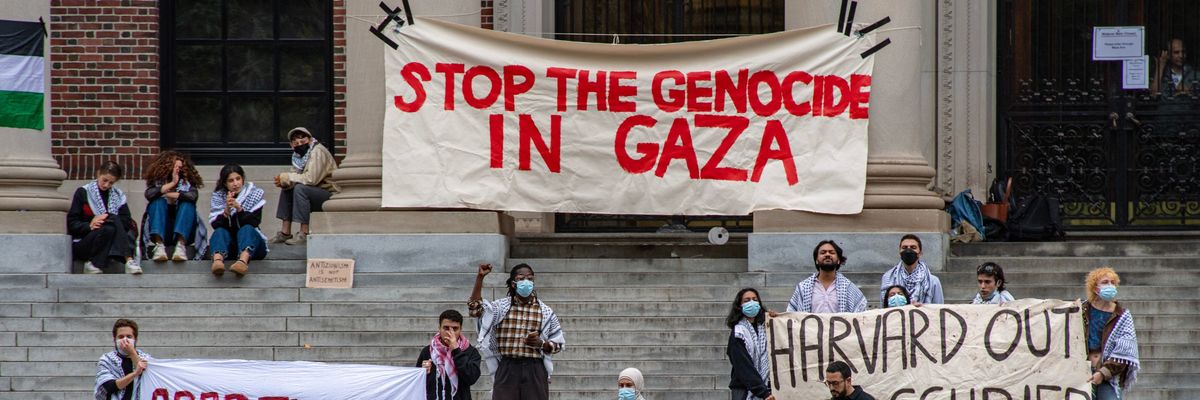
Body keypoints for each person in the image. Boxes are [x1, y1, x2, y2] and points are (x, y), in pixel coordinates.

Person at [468, 263, 565, 400]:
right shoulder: (500, 308)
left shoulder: (545, 312)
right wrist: (480, 278)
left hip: (535, 368)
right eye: (521, 279)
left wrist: (541, 344)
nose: (526, 282)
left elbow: (558, 344)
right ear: (513, 284)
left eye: (530, 279)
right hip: (508, 367)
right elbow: (475, 310)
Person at [269, 127, 339, 246]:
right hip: (314, 192)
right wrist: (284, 181)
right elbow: (295, 176)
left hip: (329, 195)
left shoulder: (317, 151)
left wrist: (289, 177)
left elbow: (312, 179)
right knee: (288, 187)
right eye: (296, 141)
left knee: (300, 188)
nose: (300, 143)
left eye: (303, 139)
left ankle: (304, 233)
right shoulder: (298, 157)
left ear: (310, 140)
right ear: (291, 145)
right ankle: (285, 232)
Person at [68, 161, 140, 274]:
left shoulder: (118, 196)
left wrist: (106, 218)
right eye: (104, 180)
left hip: (110, 242)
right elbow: (72, 223)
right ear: (98, 174)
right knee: (112, 220)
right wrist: (90, 225)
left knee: (110, 226)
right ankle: (129, 259)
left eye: (111, 183)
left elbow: (126, 222)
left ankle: (93, 263)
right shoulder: (83, 192)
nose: (106, 185)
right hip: (85, 242)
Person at [1082, 267, 1139, 400]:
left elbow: (1124, 352)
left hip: (1107, 375)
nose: (1110, 286)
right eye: (1105, 282)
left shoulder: (1122, 316)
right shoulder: (1082, 310)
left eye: (1113, 283)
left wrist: (1103, 373)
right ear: (1095, 288)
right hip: (1080, 372)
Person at [141, 151, 207, 263]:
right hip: (163, 232)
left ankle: (180, 247)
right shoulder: (158, 183)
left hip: (185, 233)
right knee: (157, 202)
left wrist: (173, 194)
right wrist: (172, 183)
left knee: (187, 203)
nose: (177, 170)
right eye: (175, 167)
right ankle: (159, 246)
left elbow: (192, 196)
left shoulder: (187, 184)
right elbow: (149, 194)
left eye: (180, 167)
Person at [208, 164, 268, 277]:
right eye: (231, 181)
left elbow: (254, 222)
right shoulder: (218, 197)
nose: (235, 183)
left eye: (238, 179)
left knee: (247, 229)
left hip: (253, 246)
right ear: (225, 183)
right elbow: (216, 225)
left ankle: (242, 262)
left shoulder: (254, 194)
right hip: (230, 247)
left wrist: (239, 209)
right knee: (219, 231)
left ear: (243, 179)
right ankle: (217, 262)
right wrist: (226, 210)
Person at [416, 309, 482, 400]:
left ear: (461, 329)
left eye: (455, 329)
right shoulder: (428, 351)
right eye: (446, 328)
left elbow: (471, 378)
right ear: (439, 328)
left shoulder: (470, 351)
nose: (450, 333)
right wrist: (423, 373)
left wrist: (456, 350)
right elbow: (417, 383)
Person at [786, 240, 868, 313]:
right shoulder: (803, 288)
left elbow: (862, 316)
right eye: (823, 252)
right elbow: (790, 315)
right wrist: (775, 318)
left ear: (839, 260)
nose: (827, 254)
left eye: (832, 252)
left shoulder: (849, 288)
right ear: (816, 260)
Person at [726, 288, 773, 400]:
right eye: (747, 300)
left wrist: (775, 320)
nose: (752, 303)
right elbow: (744, 366)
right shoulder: (738, 333)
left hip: (767, 387)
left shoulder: (765, 328)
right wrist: (762, 392)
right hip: (744, 390)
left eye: (754, 299)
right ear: (740, 305)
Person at [94, 318, 150, 400]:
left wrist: (132, 353)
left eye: (129, 336)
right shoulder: (106, 360)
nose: (125, 340)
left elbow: (149, 376)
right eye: (121, 337)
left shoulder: (145, 358)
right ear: (114, 340)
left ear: (135, 339)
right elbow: (109, 387)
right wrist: (134, 374)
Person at [878, 234, 943, 305]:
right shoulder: (888, 278)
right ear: (900, 252)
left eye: (913, 247)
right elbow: (884, 307)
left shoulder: (933, 281)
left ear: (920, 253)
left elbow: (938, 309)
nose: (908, 250)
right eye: (904, 247)